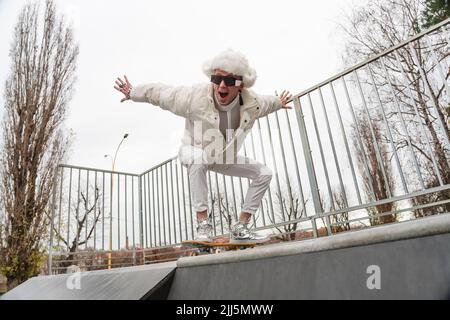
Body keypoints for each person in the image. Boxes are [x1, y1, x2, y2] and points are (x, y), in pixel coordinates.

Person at [114, 49, 292, 243]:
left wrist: (279, 102)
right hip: (193, 150)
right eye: (216, 79)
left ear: (241, 85)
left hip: (223, 156)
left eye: (229, 81)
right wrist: (133, 92)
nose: (221, 86)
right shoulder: (194, 97)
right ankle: (203, 225)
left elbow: (268, 103)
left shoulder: (253, 103)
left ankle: (241, 227)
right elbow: (161, 93)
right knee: (198, 160)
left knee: (264, 173)